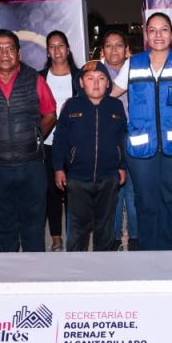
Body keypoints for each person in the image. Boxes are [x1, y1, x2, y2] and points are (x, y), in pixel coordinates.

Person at [110, 12, 172, 250]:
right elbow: (109, 95)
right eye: (153, 30)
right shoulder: (133, 64)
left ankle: (168, 253)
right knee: (146, 202)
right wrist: (80, 102)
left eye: (164, 30)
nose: (158, 35)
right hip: (141, 148)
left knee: (171, 201)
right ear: (146, 34)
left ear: (171, 34)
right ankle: (149, 254)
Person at [0, 29, 57, 252]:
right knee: (4, 227)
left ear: (18, 53)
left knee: (34, 225)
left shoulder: (34, 79)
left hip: (32, 165)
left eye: (10, 49)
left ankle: (35, 269)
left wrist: (37, 137)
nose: (4, 54)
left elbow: (50, 114)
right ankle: (7, 271)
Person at [53, 62, 128, 251]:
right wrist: (59, 168)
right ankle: (76, 264)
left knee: (106, 224)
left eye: (101, 79)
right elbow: (60, 138)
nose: (96, 83)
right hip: (77, 178)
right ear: (81, 82)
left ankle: (102, 262)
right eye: (90, 78)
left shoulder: (116, 106)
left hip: (108, 177)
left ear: (108, 83)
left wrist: (122, 166)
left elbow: (122, 138)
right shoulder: (71, 106)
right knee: (78, 227)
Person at [40, 30, 81, 251]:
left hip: (74, 144)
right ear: (48, 51)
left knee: (74, 191)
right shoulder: (39, 77)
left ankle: (73, 235)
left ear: (68, 49)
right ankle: (56, 236)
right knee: (52, 191)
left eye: (61, 45)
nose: (57, 50)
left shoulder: (80, 76)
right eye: (52, 46)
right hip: (47, 143)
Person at [98, 29, 139, 250]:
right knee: (112, 191)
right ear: (102, 50)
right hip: (108, 139)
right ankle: (113, 238)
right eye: (109, 45)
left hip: (135, 136)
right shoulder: (94, 73)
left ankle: (135, 237)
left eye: (119, 45)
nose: (114, 50)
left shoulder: (137, 70)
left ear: (127, 49)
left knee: (133, 191)